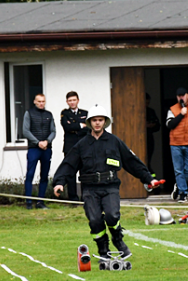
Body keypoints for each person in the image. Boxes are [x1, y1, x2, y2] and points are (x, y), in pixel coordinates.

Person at [52, 105, 160, 259]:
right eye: (94, 120)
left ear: (105, 122)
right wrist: (59, 182)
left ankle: (118, 241)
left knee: (112, 215)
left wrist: (149, 178)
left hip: (110, 187)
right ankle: (103, 249)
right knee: (95, 221)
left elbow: (131, 161)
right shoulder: (82, 144)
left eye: (100, 120)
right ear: (90, 122)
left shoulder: (114, 141)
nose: (97, 123)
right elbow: (69, 164)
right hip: (89, 189)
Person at [22, 93, 56, 210]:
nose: (41, 103)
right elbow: (25, 131)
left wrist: (47, 141)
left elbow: (53, 131)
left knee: (44, 175)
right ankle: (28, 202)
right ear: (35, 102)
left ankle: (41, 201)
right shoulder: (29, 113)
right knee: (30, 174)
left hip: (46, 149)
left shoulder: (49, 114)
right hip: (33, 148)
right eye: (39, 101)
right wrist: (38, 143)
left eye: (43, 101)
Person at [60, 91, 88, 202]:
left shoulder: (85, 112)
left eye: (74, 100)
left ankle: (85, 197)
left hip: (83, 147)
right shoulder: (64, 113)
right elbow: (66, 127)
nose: (72, 102)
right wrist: (81, 125)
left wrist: (74, 127)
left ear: (78, 100)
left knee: (85, 172)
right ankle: (73, 198)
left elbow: (89, 128)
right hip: (70, 147)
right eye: (70, 100)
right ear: (67, 102)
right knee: (70, 173)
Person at [145, 93, 161, 175]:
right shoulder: (136, 112)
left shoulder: (151, 111)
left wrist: (151, 126)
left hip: (149, 139)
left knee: (148, 161)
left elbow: (158, 126)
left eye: (148, 103)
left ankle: (152, 180)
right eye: (146, 103)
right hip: (138, 140)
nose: (147, 105)